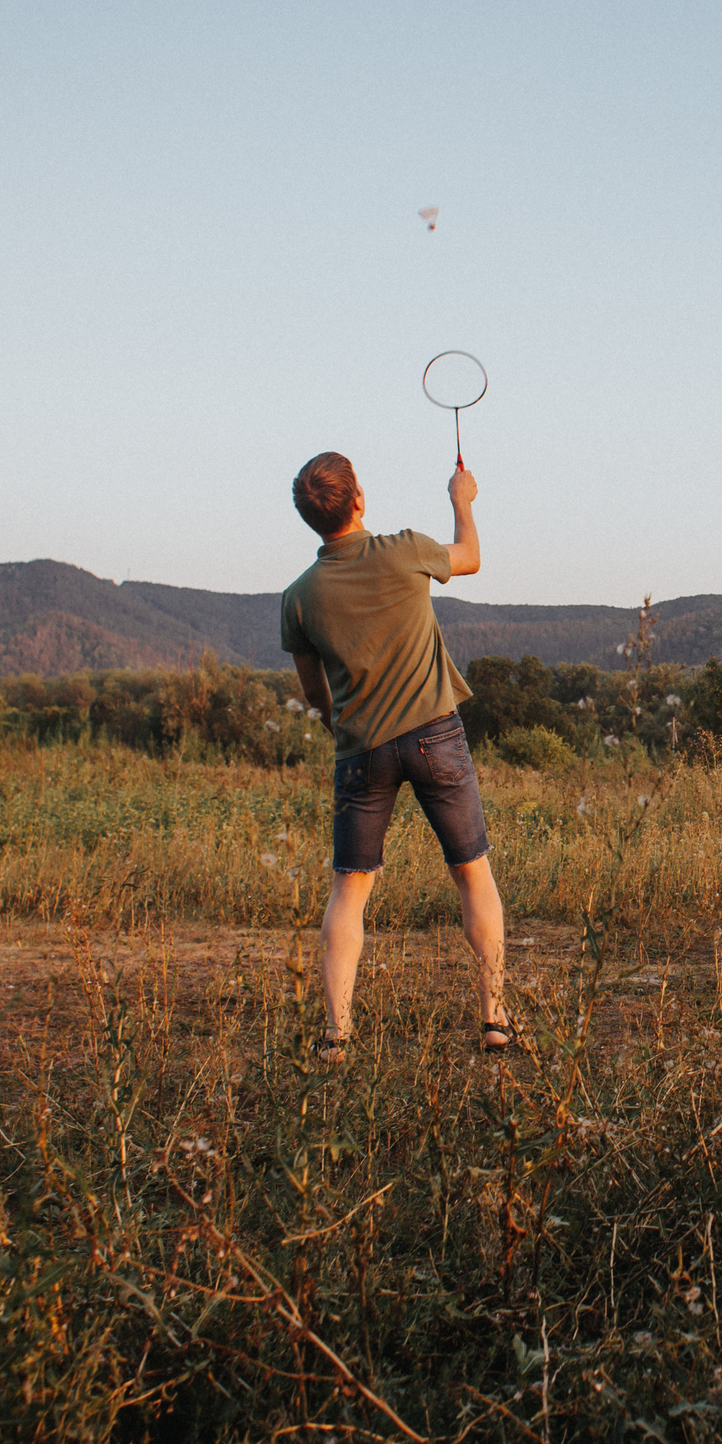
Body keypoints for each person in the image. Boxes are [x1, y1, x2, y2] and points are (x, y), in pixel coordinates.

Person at [281, 451, 511, 1059]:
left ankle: (336, 1033)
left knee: (348, 892)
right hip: (436, 735)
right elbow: (470, 559)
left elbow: (313, 691)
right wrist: (462, 498)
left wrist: (344, 726)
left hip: (362, 751)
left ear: (309, 517)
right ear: (358, 498)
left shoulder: (298, 597)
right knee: (472, 874)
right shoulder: (404, 550)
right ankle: (495, 1019)